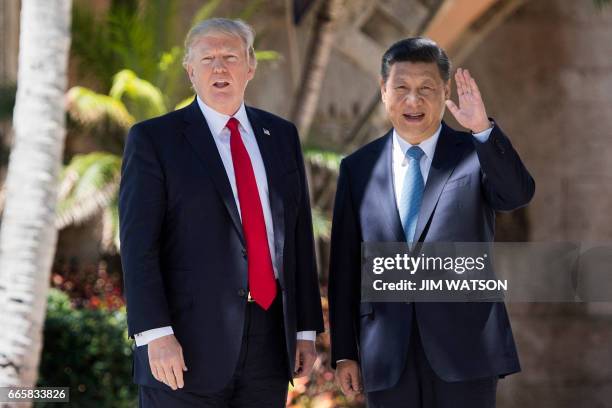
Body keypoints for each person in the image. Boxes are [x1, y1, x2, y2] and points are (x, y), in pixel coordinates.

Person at [119, 18, 324, 407]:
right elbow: (137, 247)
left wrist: (306, 331)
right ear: (189, 70)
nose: (219, 68)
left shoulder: (281, 135)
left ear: (250, 67)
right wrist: (154, 334)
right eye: (207, 58)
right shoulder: (154, 140)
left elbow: (297, 235)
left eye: (230, 57)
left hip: (269, 340)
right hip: (182, 345)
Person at [328, 37, 535, 408]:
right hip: (387, 355)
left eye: (426, 89)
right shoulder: (357, 168)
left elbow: (516, 195)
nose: (413, 101)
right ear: (383, 91)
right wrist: (345, 352)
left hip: (466, 350)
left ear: (445, 91)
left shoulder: (474, 153)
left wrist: (482, 130)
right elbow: (345, 267)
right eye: (402, 88)